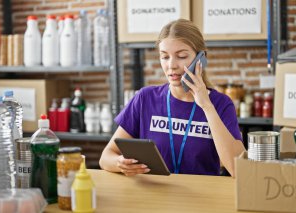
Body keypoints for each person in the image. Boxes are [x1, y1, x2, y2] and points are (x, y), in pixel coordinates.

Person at [99, 19, 245, 176]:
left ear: (200, 59)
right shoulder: (145, 98)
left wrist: (207, 107)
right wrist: (119, 163)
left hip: (201, 198)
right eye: (165, 57)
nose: (171, 65)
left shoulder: (221, 104)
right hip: (153, 196)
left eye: (181, 56)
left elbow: (238, 170)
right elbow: (106, 157)